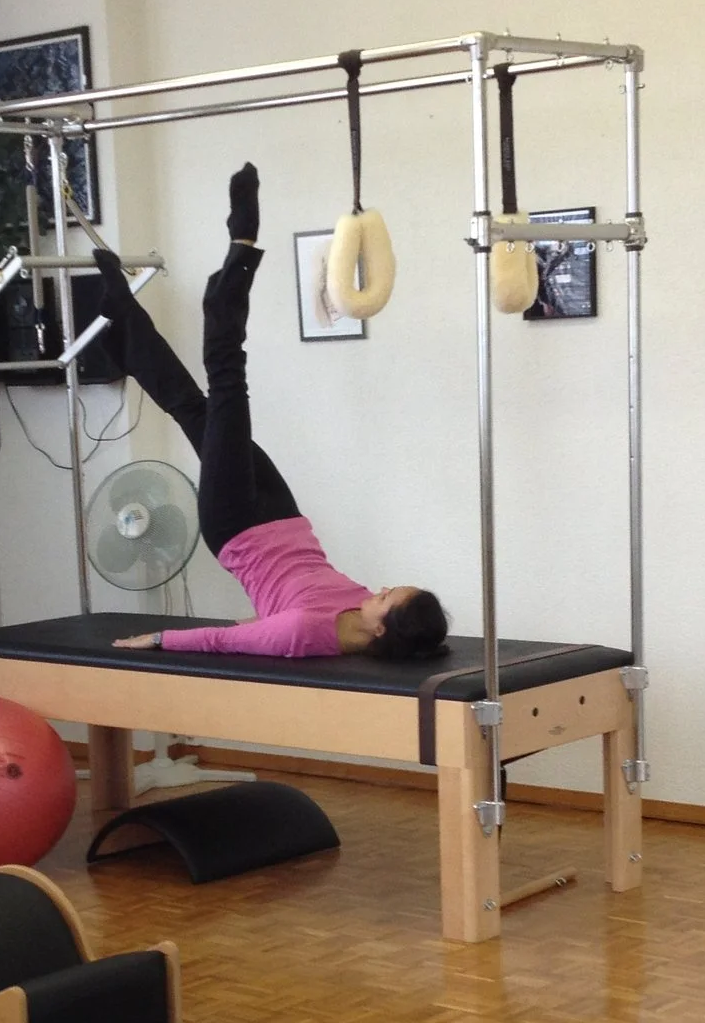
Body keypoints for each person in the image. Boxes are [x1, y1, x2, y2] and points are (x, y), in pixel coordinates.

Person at [90, 165, 448, 660]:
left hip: (235, 527)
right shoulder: (350, 610)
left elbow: (222, 640)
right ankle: (123, 318)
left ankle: (241, 254)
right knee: (194, 408)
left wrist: (156, 640)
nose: (379, 588)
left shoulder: (303, 633)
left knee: (227, 386)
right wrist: (266, 616)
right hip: (285, 516)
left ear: (382, 630)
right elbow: (293, 594)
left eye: (387, 597)